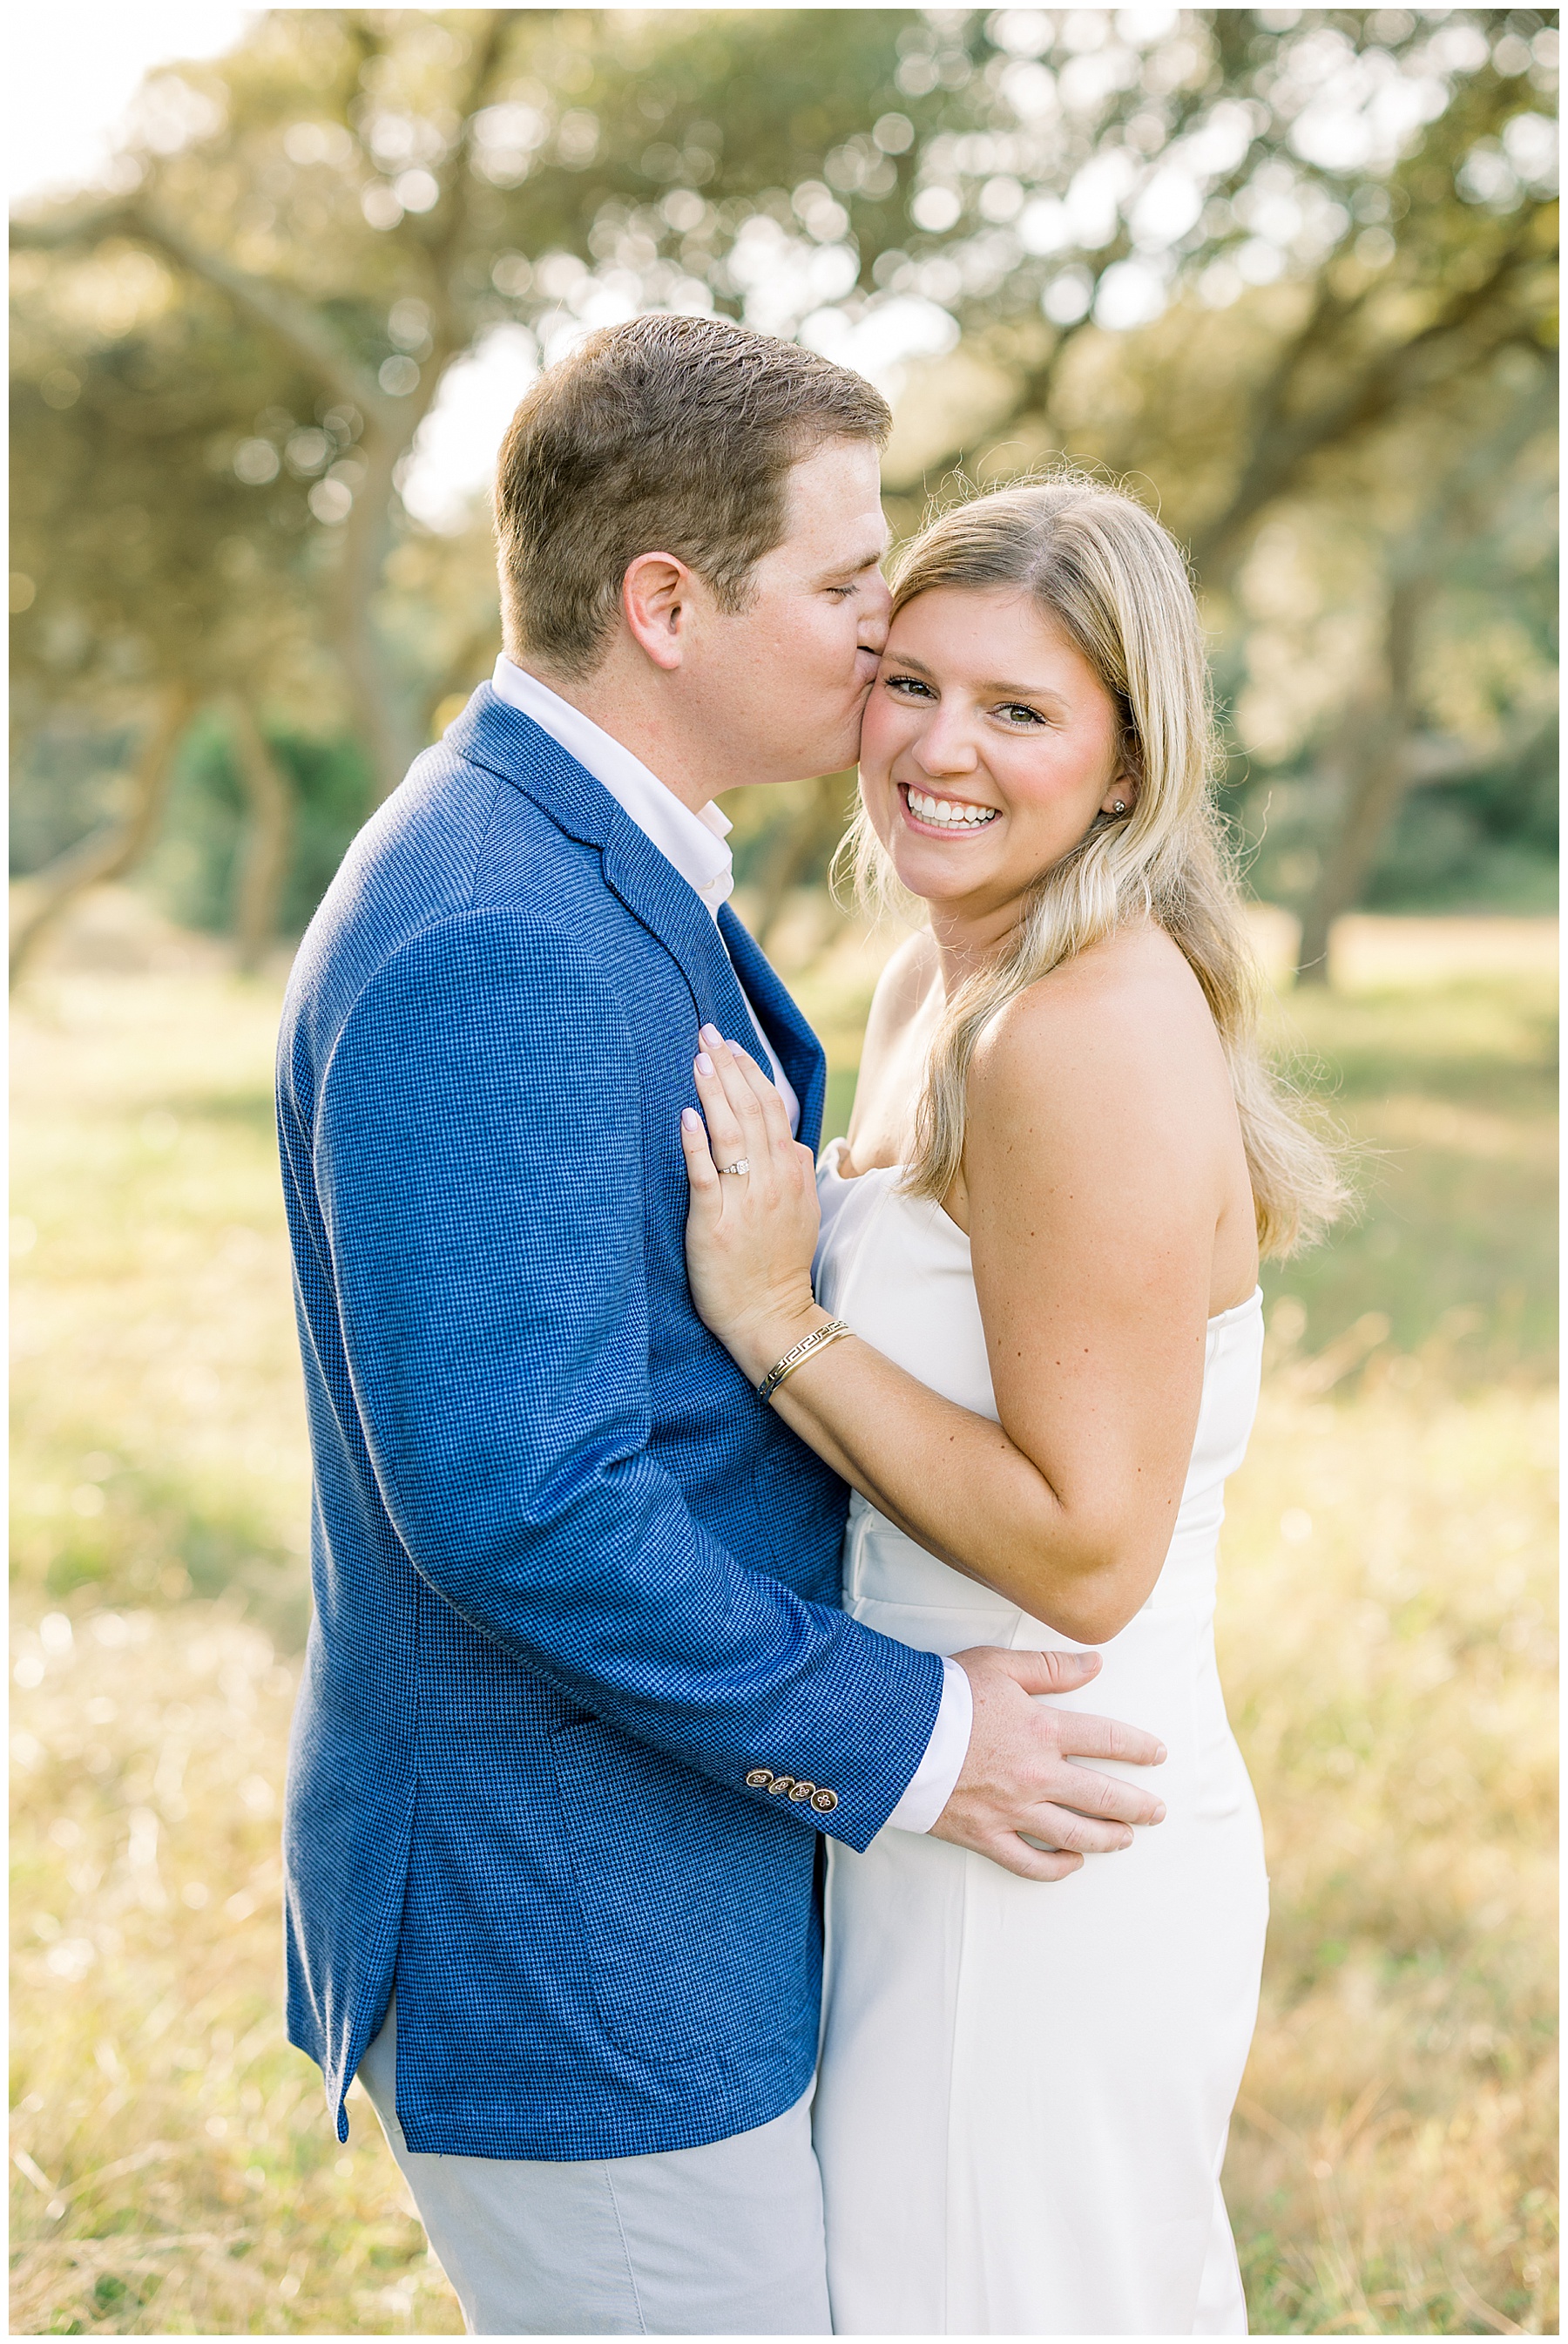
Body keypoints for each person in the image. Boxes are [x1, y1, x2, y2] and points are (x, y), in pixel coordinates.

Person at [275, 321, 1169, 2337]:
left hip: (681, 1893)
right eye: (853, 590)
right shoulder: (499, 926)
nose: (884, 641)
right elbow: (519, 1505)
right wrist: (922, 1740)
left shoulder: (601, 868)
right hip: (576, 1934)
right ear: (668, 604)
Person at [679, 477, 1346, 2334]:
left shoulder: (1083, 1031)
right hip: (940, 1785)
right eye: (910, 684)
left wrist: (772, 1314)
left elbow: (1087, 1547)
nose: (938, 749)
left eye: (1021, 711)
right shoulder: (938, 977)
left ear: (1131, 766)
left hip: (1050, 1831)